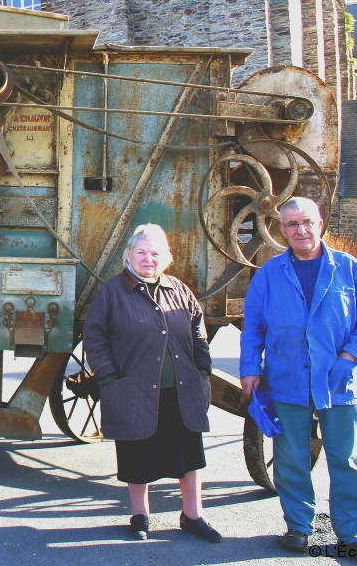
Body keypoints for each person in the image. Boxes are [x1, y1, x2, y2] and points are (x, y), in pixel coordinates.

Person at [240, 197, 357, 564]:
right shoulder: (269, 275)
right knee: (290, 458)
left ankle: (353, 534)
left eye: (307, 222)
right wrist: (250, 368)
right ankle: (298, 527)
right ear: (282, 230)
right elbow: (253, 326)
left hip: (338, 382)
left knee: (346, 460)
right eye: (292, 224)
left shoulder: (349, 270)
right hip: (286, 379)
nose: (300, 230)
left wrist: (350, 356)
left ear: (320, 224)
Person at [84, 223, 221, 543]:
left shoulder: (179, 289)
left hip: (181, 390)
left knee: (189, 455)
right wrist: (109, 376)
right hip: (134, 390)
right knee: (138, 454)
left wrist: (202, 368)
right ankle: (140, 515)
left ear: (167, 258)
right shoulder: (113, 293)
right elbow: (94, 336)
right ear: (128, 255)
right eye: (142, 252)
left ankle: (192, 515)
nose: (149, 259)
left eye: (156, 253)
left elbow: (198, 330)